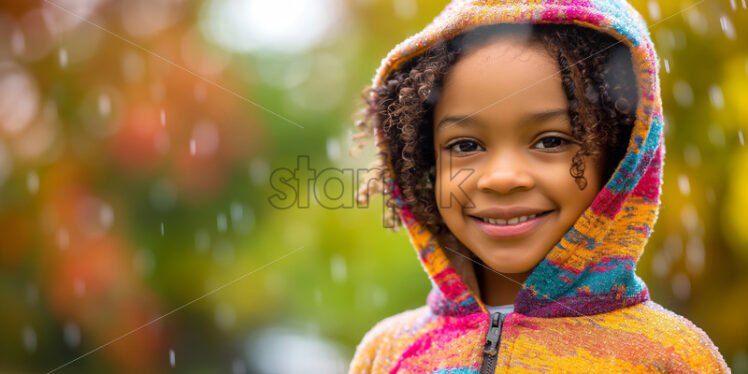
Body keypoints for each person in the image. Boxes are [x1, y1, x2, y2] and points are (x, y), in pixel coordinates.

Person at [348, 0, 730, 373]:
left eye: (551, 140)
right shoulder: (387, 355)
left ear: (618, 159)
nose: (502, 178)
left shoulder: (670, 358)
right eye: (465, 146)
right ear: (428, 162)